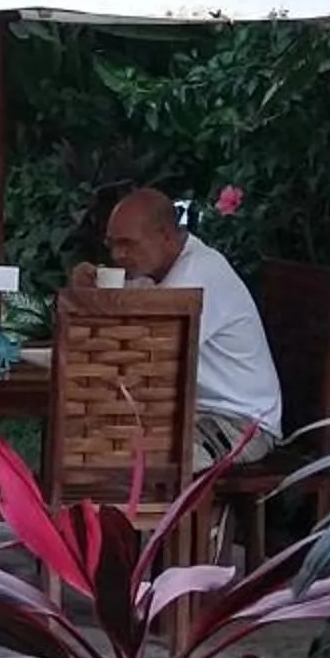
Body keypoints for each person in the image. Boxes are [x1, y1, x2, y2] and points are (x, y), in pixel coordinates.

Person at [104, 186, 283, 464]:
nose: (117, 255)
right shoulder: (151, 272)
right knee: (104, 440)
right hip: (191, 413)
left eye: (127, 244)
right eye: (112, 244)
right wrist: (89, 290)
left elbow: (144, 360)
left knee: (145, 457)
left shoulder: (197, 276)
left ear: (165, 235)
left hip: (239, 424)